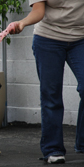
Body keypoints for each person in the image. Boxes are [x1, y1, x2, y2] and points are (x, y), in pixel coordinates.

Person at [8, 0, 84, 164]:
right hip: (49, 38)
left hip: (81, 38)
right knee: (51, 94)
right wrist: (21, 23)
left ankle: (82, 142)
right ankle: (53, 149)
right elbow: (38, 11)